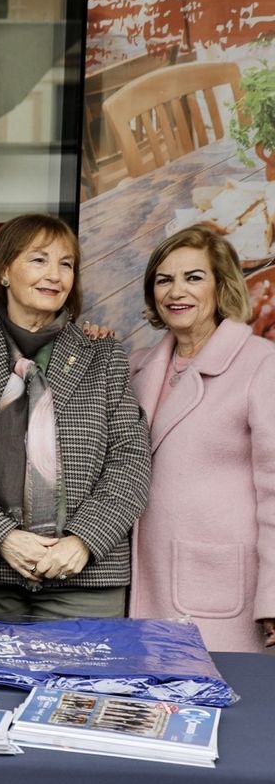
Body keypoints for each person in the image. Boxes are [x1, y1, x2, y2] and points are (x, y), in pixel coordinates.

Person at [0, 214, 151, 619]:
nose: (54, 275)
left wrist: (83, 539)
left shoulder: (104, 356)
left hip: (85, 577)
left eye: (66, 264)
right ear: (4, 270)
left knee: (81, 685)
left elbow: (131, 458)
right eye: (39, 260)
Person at [129, 225, 275, 651]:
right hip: (144, 580)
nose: (177, 291)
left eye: (194, 277)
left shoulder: (260, 365)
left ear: (221, 286)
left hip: (222, 588)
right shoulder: (138, 365)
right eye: (164, 279)